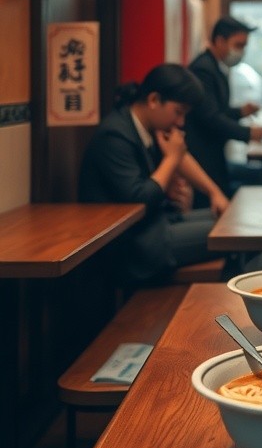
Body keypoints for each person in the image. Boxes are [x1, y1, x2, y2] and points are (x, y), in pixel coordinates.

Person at [79, 63, 229, 288]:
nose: (180, 122)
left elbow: (181, 156)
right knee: (229, 232)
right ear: (154, 100)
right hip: (134, 245)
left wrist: (214, 193)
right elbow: (139, 197)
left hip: (155, 225)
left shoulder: (145, 125)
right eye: (178, 112)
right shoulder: (115, 135)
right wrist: (171, 159)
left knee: (226, 218)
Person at [185, 15, 262, 204]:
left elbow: (217, 110)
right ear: (220, 40)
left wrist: (240, 112)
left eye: (244, 46)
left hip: (213, 153)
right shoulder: (203, 69)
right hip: (203, 155)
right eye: (238, 45)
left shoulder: (215, 67)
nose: (242, 51)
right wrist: (248, 133)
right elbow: (210, 118)